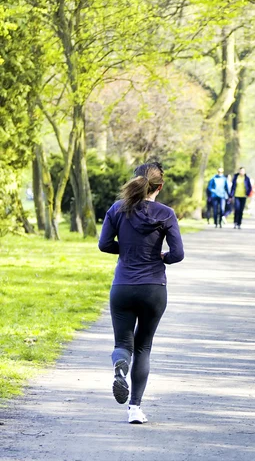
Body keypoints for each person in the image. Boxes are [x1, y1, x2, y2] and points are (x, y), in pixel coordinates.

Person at [98, 161, 184, 424]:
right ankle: (135, 409)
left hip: (122, 287)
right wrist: (162, 257)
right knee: (143, 347)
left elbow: (104, 245)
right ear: (160, 186)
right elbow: (178, 254)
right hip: (153, 289)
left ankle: (119, 365)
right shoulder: (166, 213)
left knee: (123, 345)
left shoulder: (117, 209)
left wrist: (125, 250)